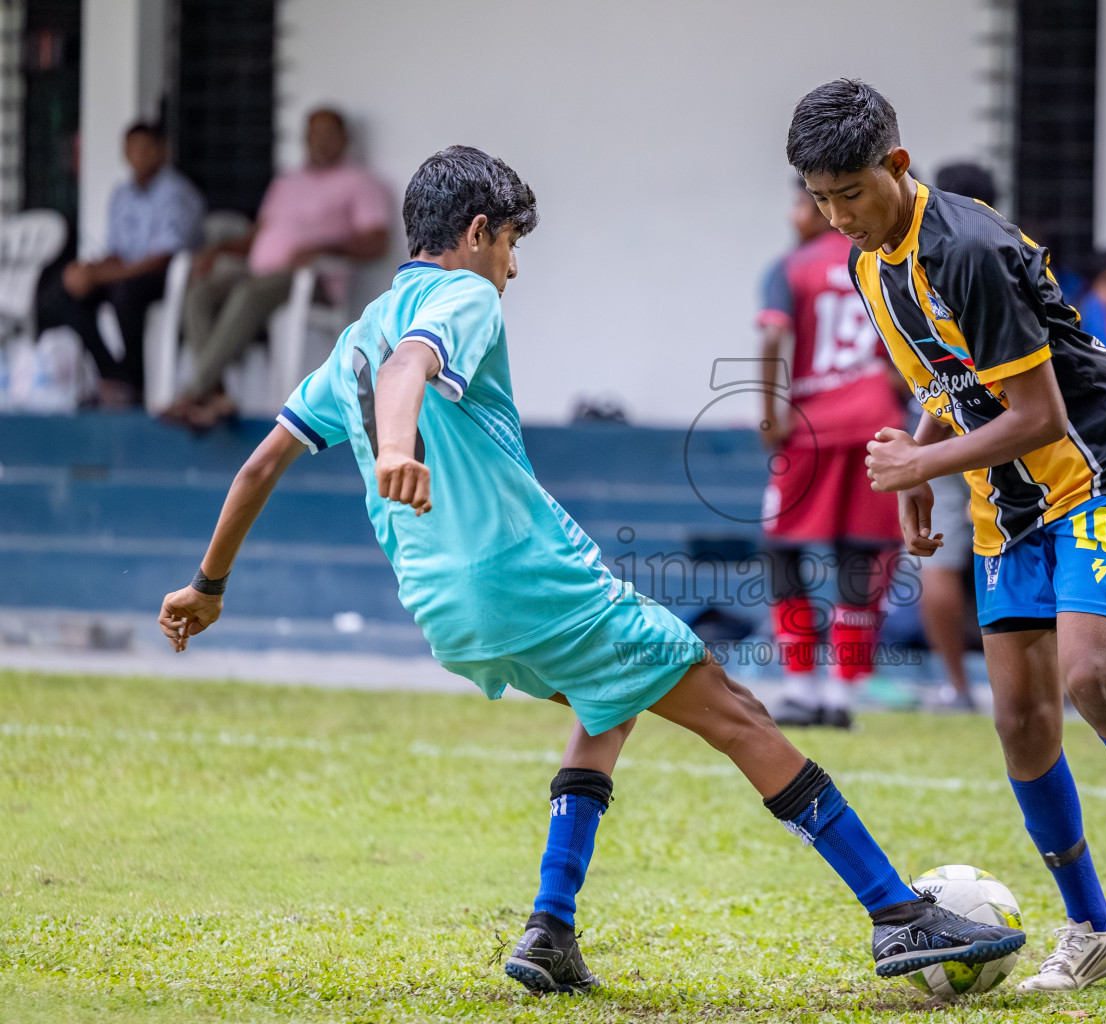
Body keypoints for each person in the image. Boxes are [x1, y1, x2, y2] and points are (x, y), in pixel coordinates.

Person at [156, 145, 1022, 994]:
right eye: (511, 247)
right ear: (477, 232)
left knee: (607, 707)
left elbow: (260, 463)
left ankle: (550, 929)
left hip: (445, 614)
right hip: (533, 581)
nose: (512, 270)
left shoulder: (353, 333)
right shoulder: (458, 296)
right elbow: (409, 367)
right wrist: (393, 450)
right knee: (735, 709)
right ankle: (896, 915)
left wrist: (209, 585)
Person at [787, 78, 1106, 993]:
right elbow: (950, 376)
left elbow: (1044, 413)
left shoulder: (965, 247)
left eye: (850, 193)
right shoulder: (866, 262)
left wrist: (918, 468)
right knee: (1019, 720)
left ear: (896, 165)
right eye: (820, 198)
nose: (837, 215)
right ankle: (1093, 930)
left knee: (1090, 675)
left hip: (1090, 465)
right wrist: (924, 457)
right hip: (1006, 498)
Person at [758, 183, 907, 729]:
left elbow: (772, 337)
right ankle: (843, 693)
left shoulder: (790, 266)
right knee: (860, 555)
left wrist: (770, 413)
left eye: (801, 203)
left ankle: (800, 686)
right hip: (875, 421)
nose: (796, 215)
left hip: (812, 428)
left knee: (778, 549)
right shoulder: (878, 259)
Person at [163, 109, 391, 429]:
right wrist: (217, 250)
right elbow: (258, 235)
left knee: (248, 293)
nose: (320, 142)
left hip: (310, 279)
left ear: (344, 140)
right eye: (314, 134)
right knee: (199, 293)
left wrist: (324, 248)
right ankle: (214, 393)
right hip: (258, 272)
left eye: (329, 134)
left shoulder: (360, 182)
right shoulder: (287, 182)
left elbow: (376, 243)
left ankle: (192, 392)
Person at [914, 160, 1004, 713]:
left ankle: (958, 685)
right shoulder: (1004, 247)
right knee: (1026, 554)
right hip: (1000, 415)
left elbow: (932, 362)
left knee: (940, 555)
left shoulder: (918, 258)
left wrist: (921, 453)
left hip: (945, 412)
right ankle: (1045, 685)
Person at [36, 122, 204, 405]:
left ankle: (136, 382)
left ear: (162, 152)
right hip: (128, 272)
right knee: (64, 291)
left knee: (126, 293)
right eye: (132, 150)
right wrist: (90, 272)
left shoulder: (177, 192)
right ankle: (113, 375)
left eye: (146, 149)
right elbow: (117, 251)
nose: (138, 156)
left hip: (168, 275)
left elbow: (164, 256)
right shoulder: (122, 194)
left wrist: (107, 276)